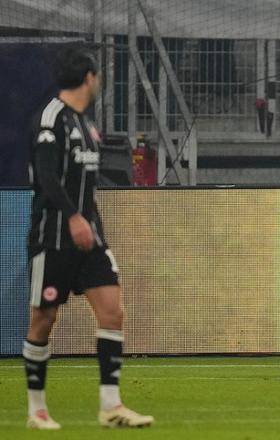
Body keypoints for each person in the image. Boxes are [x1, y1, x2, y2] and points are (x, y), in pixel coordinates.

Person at [23, 47, 153, 429]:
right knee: (43, 319)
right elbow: (47, 178)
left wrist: (92, 225)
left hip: (89, 238)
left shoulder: (87, 124)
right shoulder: (51, 119)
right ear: (89, 78)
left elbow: (86, 185)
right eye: (98, 77)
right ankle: (36, 410)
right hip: (53, 237)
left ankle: (111, 406)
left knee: (113, 310)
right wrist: (73, 217)